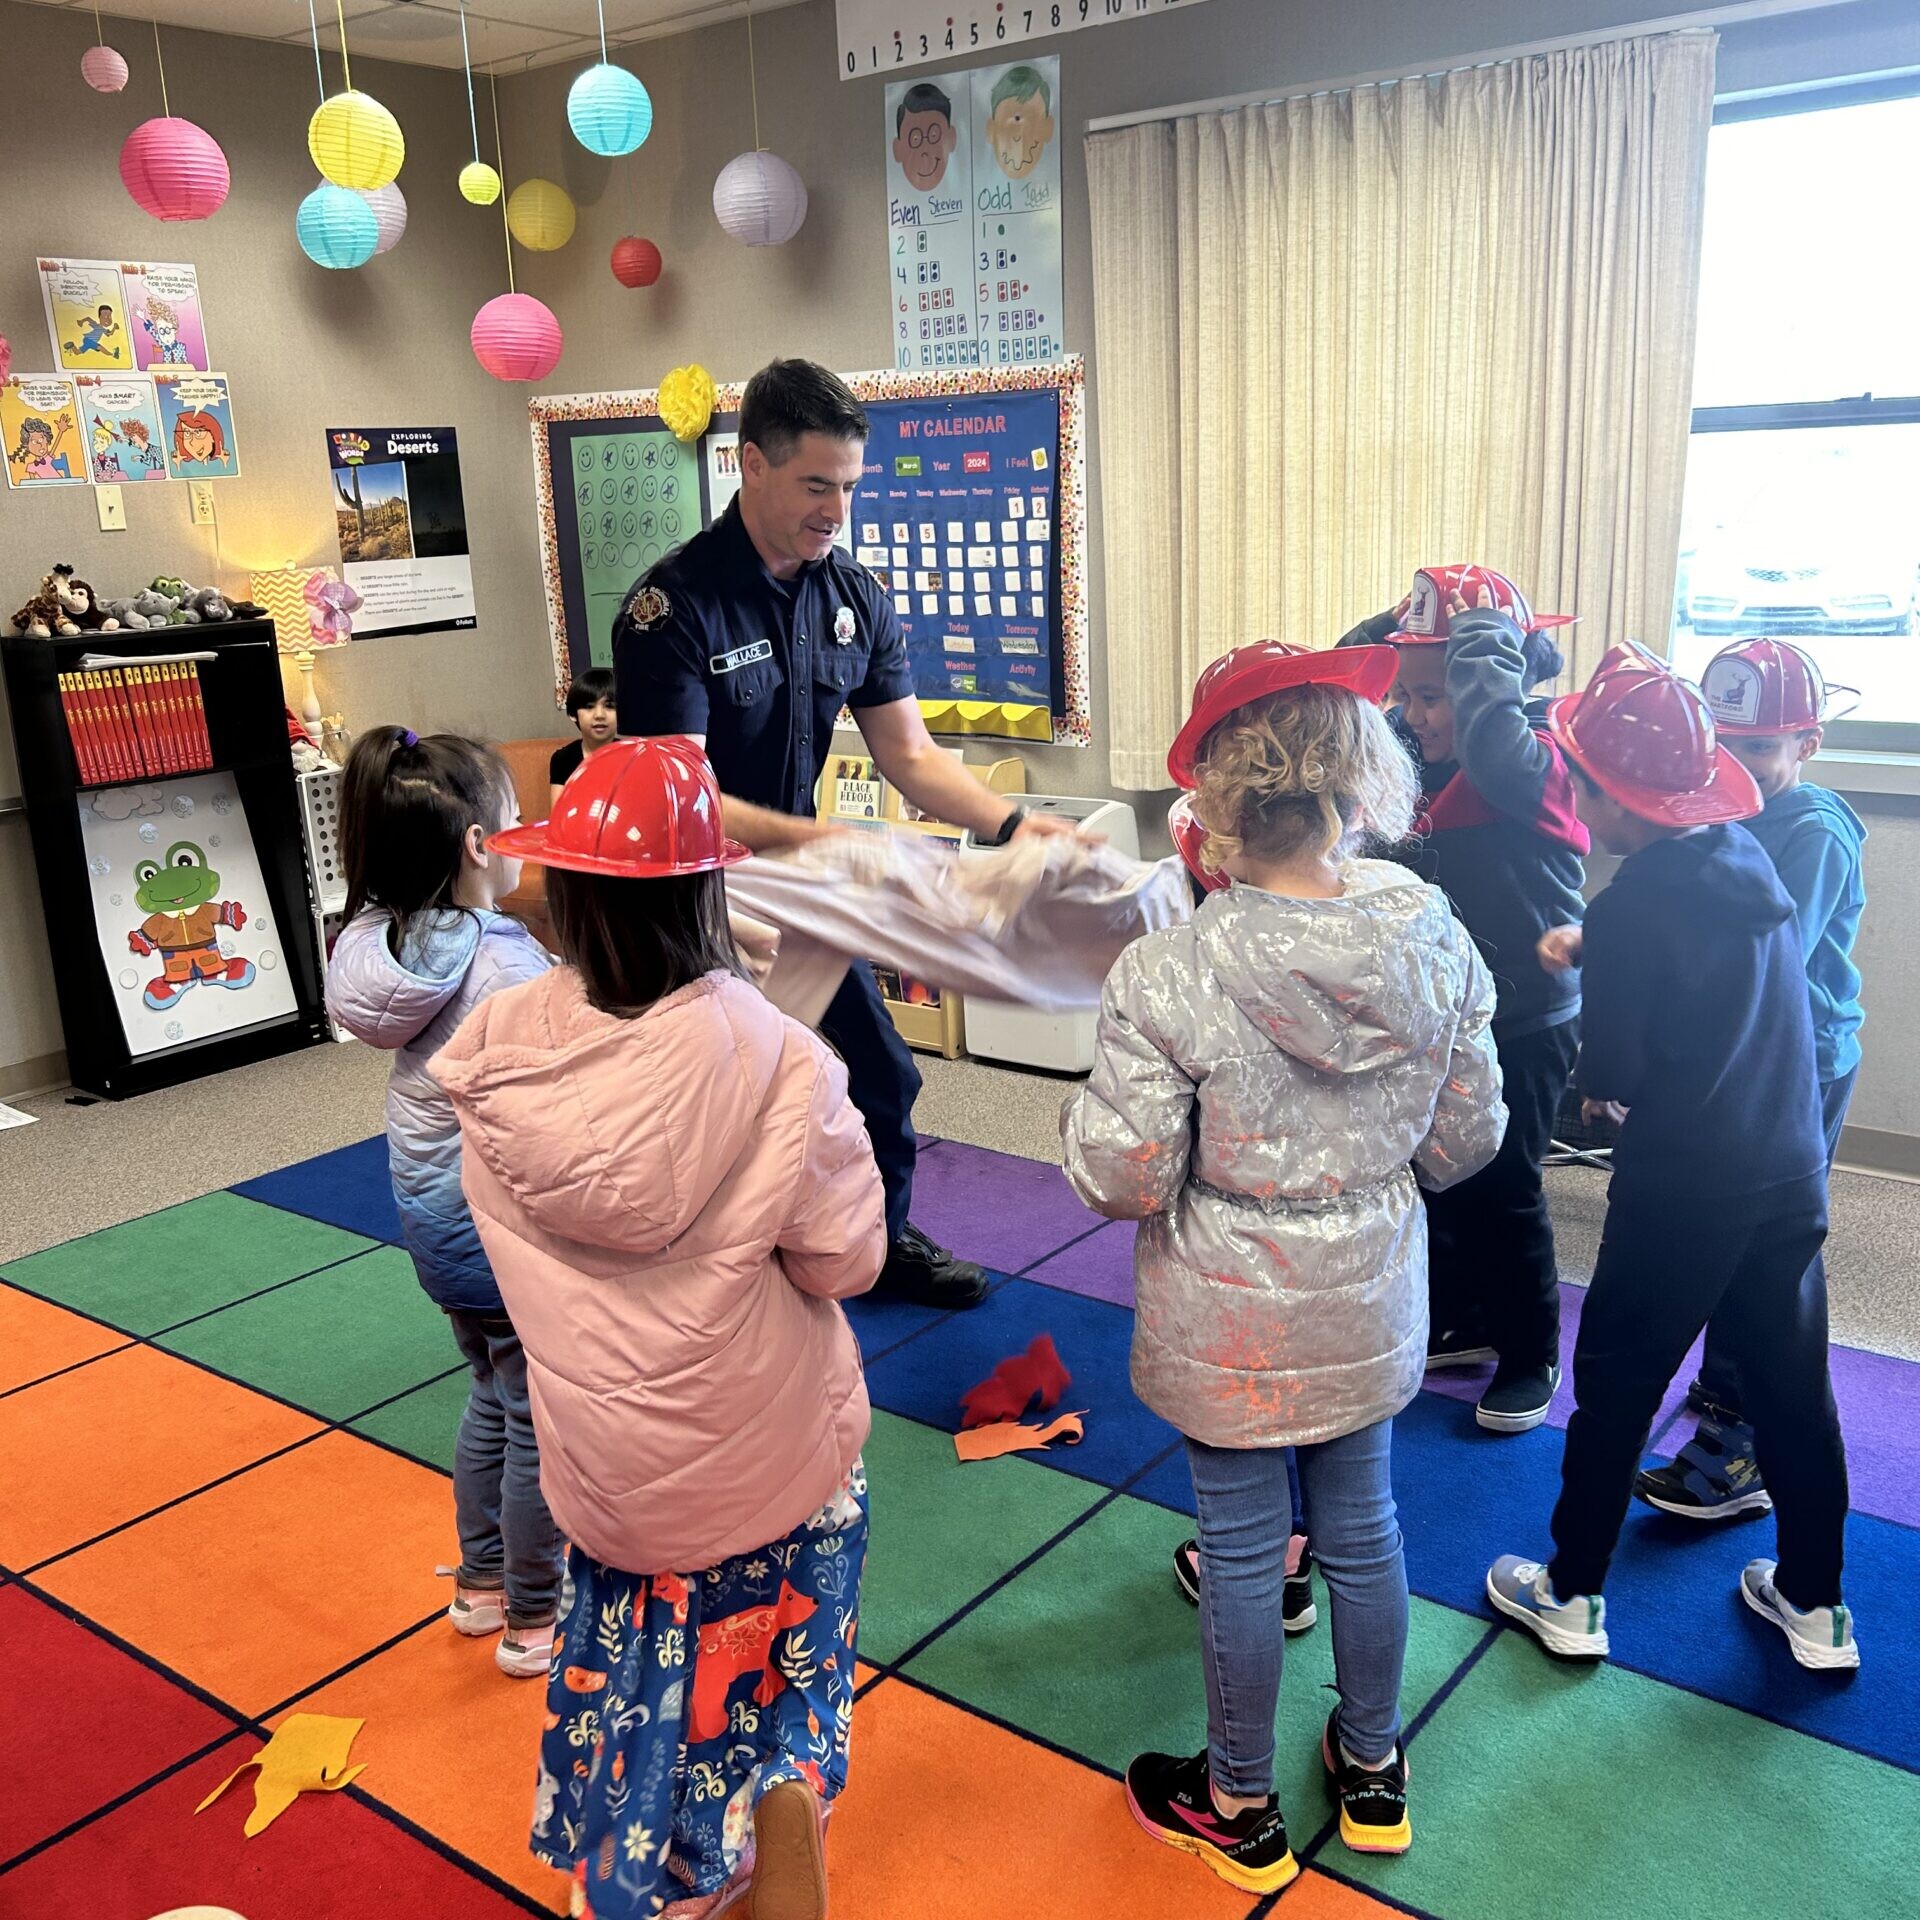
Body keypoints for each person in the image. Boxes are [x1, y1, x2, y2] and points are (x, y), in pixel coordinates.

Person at [1064, 642, 1506, 1895]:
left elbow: (1126, 1176)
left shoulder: (1172, 967)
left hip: (1231, 1307)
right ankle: (1372, 1771)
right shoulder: (1428, 927)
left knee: (1248, 1548)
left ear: (1213, 802)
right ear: (1360, 778)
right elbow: (1471, 1137)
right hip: (1370, 1282)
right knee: (1364, 1528)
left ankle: (1237, 1800)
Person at [434, 737, 885, 1920]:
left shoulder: (493, 1061)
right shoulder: (787, 1060)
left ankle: (645, 1872)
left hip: (612, 1489)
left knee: (649, 1695)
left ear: (563, 893)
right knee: (777, 1726)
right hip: (773, 1477)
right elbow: (849, 1255)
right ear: (711, 892)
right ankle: (765, 1841)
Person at [614, 357, 1078, 1310]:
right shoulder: (674, 606)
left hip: (793, 881)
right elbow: (680, 794)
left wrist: (1017, 824)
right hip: (691, 890)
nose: (837, 511)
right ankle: (711, 1270)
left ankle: (869, 1242)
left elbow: (909, 755)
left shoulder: (855, 596)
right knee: (713, 1097)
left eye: (852, 487)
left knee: (880, 1078)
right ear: (751, 464)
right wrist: (830, 847)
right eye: (816, 485)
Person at [1488, 644, 1858, 1672]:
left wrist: (1590, 964)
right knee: (1791, 1387)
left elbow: (1614, 1075)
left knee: (1618, 1384)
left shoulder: (1632, 903)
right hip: (1787, 1173)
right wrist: (1601, 946)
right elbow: (1707, 975)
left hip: (1685, 1183)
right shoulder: (1748, 859)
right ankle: (1818, 1604)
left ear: (1611, 797)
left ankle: (1570, 1593)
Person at [324, 727, 564, 1678]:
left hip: (435, 1227)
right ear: (478, 846)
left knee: (491, 1395)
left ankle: (481, 1585)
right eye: (513, 822)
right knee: (538, 1417)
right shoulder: (502, 963)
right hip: (501, 1231)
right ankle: (536, 1619)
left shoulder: (386, 942)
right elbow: (554, 1098)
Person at [1635, 638, 1866, 1520]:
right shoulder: (1717, 816)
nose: (1737, 765)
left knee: (1759, 1253)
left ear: (1807, 743)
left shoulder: (1811, 832)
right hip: (1739, 1060)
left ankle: (1741, 1438)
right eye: (1722, 745)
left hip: (1796, 1069)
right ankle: (1733, 1390)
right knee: (1724, 1242)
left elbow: (1760, 959)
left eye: (1760, 748)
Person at [1383, 568, 1586, 1433]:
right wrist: (1397, 646)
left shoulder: (1532, 760)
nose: (1418, 715)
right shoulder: (1416, 760)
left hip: (1527, 1018)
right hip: (1442, 1015)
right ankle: (1464, 1316)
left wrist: (1481, 646)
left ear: (1490, 681)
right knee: (1440, 1175)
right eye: (1410, 696)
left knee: (1505, 1184)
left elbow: (1496, 741)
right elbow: (1358, 708)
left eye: (1437, 696)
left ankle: (1531, 1347)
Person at [1163, 793, 1318, 1638]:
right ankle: (1370, 1749)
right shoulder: (1395, 943)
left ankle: (1236, 1776)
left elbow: (1130, 1168)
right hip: (1357, 1267)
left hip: (1233, 1263)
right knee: (1362, 1505)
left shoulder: (1181, 977)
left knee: (1241, 1479)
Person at [550, 664, 619, 805]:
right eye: (589, 707)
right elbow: (557, 817)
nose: (600, 715)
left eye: (610, 706)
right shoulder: (562, 759)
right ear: (573, 714)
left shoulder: (633, 756)